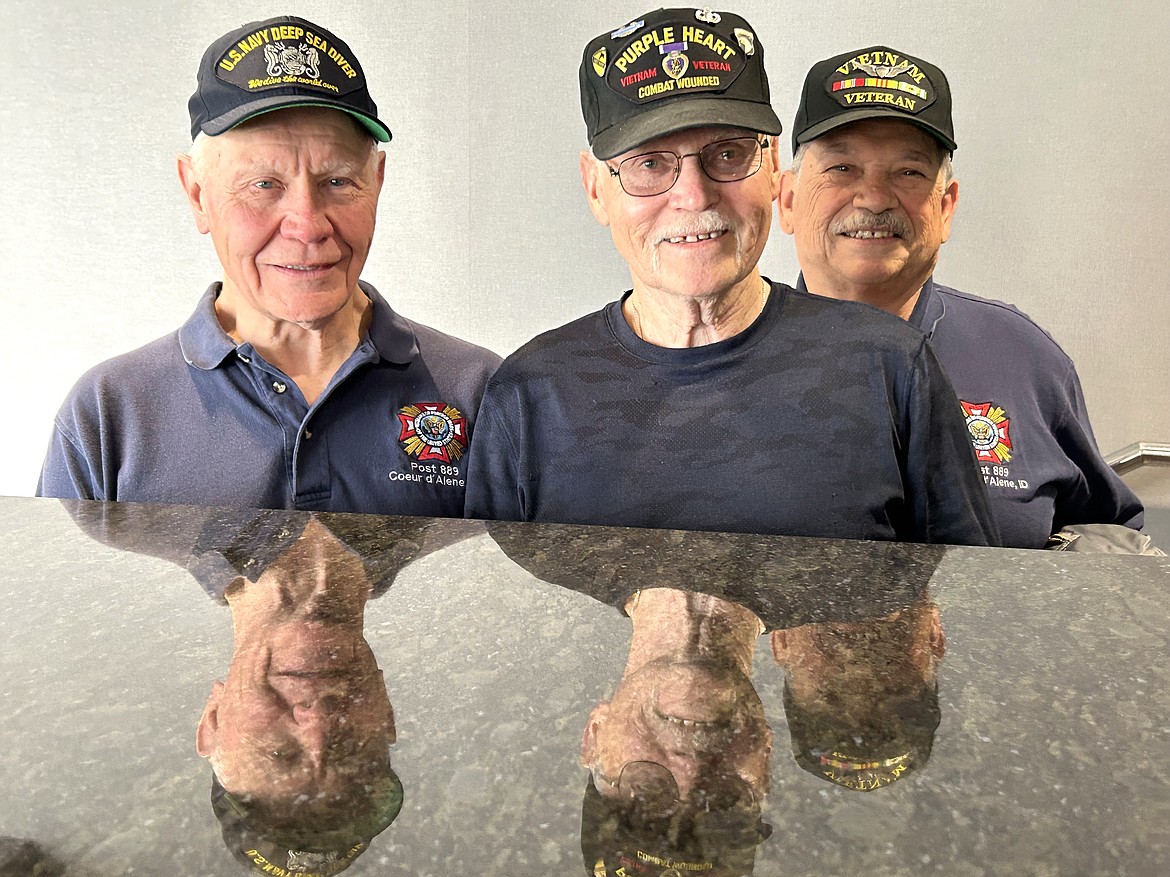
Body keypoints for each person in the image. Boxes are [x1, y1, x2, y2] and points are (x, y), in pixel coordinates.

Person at [465, 9, 997, 546]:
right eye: (649, 164)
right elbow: (497, 622)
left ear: (771, 169)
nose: (694, 196)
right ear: (596, 187)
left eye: (728, 153)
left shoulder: (892, 368)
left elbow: (970, 604)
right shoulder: (529, 394)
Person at [37, 16, 499, 515]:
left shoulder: (480, 392)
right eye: (263, 185)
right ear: (197, 194)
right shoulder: (108, 417)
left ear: (378, 181)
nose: (307, 225)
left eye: (338, 181)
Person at [777, 45, 1143, 548]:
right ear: (789, 201)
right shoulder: (730, 359)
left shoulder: (1022, 357)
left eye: (909, 172)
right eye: (842, 168)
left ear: (945, 207)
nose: (875, 197)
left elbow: (1112, 533)